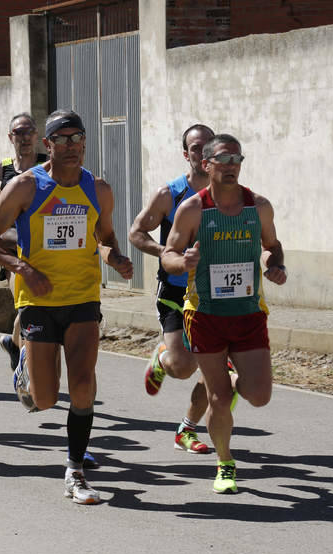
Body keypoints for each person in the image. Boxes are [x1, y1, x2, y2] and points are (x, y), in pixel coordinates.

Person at [0, 110, 133, 504]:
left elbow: (106, 235)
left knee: (83, 386)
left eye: (76, 138)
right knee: (45, 399)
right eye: (60, 139)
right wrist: (23, 268)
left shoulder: (98, 189)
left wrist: (115, 257)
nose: (70, 146)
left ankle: (75, 470)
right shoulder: (27, 186)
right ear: (47, 145)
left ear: (84, 142)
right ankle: (22, 361)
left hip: (83, 296)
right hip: (37, 300)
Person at [161, 133, 287, 494]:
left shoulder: (258, 207)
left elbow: (272, 247)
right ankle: (225, 463)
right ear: (206, 164)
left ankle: (229, 379)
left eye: (237, 160)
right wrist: (182, 261)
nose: (232, 167)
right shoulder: (193, 210)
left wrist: (275, 266)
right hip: (205, 315)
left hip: (248, 314)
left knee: (259, 395)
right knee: (217, 396)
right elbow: (167, 254)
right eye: (224, 160)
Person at [129, 124, 220, 454]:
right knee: (183, 367)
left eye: (209, 145)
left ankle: (187, 430)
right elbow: (136, 233)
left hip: (216, 296)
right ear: (187, 154)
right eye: (196, 147)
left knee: (219, 370)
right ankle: (162, 358)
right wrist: (168, 254)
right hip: (175, 292)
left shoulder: (229, 194)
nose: (203, 151)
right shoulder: (170, 193)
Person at [0, 113, 48, 372]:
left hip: (45, 250)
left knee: (31, 307)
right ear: (11, 137)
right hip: (14, 248)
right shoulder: (3, 168)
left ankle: (14, 343)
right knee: (26, 305)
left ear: (37, 136)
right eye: (18, 132)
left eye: (29, 131)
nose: (24, 137)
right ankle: (26, 367)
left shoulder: (48, 165)